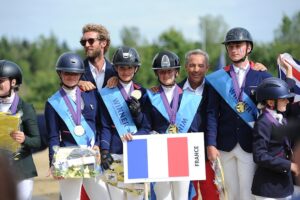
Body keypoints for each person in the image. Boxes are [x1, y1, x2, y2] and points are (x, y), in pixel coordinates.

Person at [124, 50, 203, 200]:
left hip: (182, 153)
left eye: (169, 71)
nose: (166, 75)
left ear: (177, 72)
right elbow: (146, 127)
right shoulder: (150, 96)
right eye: (162, 72)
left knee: (182, 197)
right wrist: (133, 137)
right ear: (157, 74)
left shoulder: (189, 98)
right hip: (159, 153)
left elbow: (194, 129)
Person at [206, 27, 272, 200]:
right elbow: (211, 113)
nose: (234, 50)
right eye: (230, 46)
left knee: (247, 193)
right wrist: (211, 144)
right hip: (224, 144)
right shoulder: (218, 78)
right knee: (228, 193)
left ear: (248, 48)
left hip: (251, 143)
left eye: (238, 45)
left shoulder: (261, 76)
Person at [44, 52, 110, 200]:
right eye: (67, 73)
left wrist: (99, 144)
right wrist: (53, 162)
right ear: (60, 74)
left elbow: (99, 125)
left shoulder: (92, 94)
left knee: (103, 197)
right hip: (68, 157)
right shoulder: (52, 103)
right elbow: (53, 136)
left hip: (92, 155)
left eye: (75, 73)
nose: (71, 76)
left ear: (80, 74)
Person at [99, 46, 147, 200]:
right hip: (114, 150)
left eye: (129, 68)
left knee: (136, 197)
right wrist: (104, 150)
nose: (126, 71)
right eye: (122, 68)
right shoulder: (107, 92)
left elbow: (147, 127)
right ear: (116, 68)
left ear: (136, 69)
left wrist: (137, 114)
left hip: (137, 151)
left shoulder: (144, 92)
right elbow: (105, 125)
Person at [177, 49, 219, 200]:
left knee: (211, 195)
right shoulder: (176, 91)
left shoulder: (216, 89)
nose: (196, 70)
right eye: (192, 65)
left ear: (207, 67)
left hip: (209, 151)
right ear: (186, 67)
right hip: (183, 152)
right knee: (188, 195)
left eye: (200, 66)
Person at [252, 77, 299, 200]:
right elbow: (260, 156)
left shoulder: (280, 117)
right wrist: (289, 165)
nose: (287, 102)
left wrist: (289, 76)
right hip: (269, 188)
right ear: (271, 102)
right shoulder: (263, 123)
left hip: (284, 186)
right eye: (283, 99)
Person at [0, 60, 41, 200]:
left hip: (21, 170)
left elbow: (36, 141)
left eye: (1, 80)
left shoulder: (26, 108)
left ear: (13, 82)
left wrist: (24, 139)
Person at [78, 23, 116, 92]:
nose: (86, 45)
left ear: (103, 43)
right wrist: (77, 83)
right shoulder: (76, 71)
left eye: (91, 41)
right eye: (83, 42)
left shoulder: (116, 72)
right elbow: (64, 87)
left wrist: (119, 80)